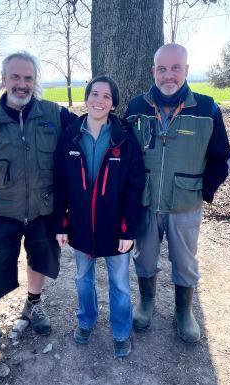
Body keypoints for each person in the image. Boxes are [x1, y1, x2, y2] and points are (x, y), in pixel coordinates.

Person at [0, 51, 76, 367]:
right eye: (15, 77)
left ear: (35, 82)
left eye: (28, 78)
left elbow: (88, 132)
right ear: (4, 79)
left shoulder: (55, 115)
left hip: (42, 210)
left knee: (40, 260)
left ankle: (33, 304)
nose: (21, 84)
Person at [125, 43, 230, 343]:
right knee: (144, 257)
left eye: (175, 68)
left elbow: (222, 157)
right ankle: (146, 302)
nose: (168, 75)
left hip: (185, 204)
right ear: (153, 72)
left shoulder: (207, 108)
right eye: (162, 69)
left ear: (186, 70)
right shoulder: (136, 108)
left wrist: (202, 191)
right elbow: (123, 154)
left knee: (185, 262)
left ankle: (183, 312)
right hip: (145, 203)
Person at [54, 76, 145, 358]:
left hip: (115, 227)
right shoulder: (69, 136)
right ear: (86, 98)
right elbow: (59, 184)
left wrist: (128, 230)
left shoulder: (124, 140)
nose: (99, 100)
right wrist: (60, 223)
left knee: (119, 282)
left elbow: (134, 187)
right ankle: (86, 320)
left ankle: (120, 331)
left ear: (113, 104)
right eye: (95, 94)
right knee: (82, 277)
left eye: (106, 96)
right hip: (81, 225)